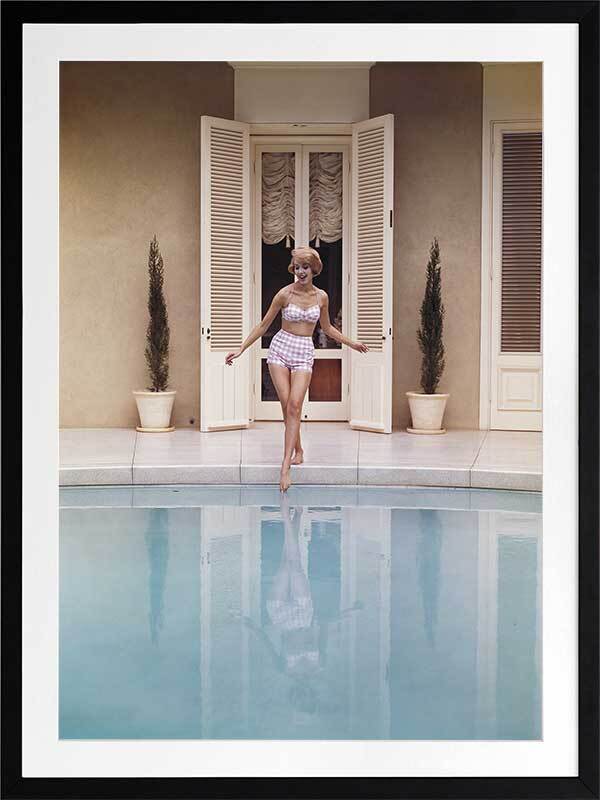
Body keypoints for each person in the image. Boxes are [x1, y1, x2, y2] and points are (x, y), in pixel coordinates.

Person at [225, 247, 368, 492]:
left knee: (294, 405)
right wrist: (241, 349)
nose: (301, 272)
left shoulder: (321, 297)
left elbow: (327, 328)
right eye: (298, 267)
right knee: (287, 405)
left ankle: (289, 461)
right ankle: (292, 457)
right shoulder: (284, 294)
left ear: (314, 269)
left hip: (304, 351)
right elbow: (263, 326)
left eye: (306, 267)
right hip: (280, 349)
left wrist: (351, 343)